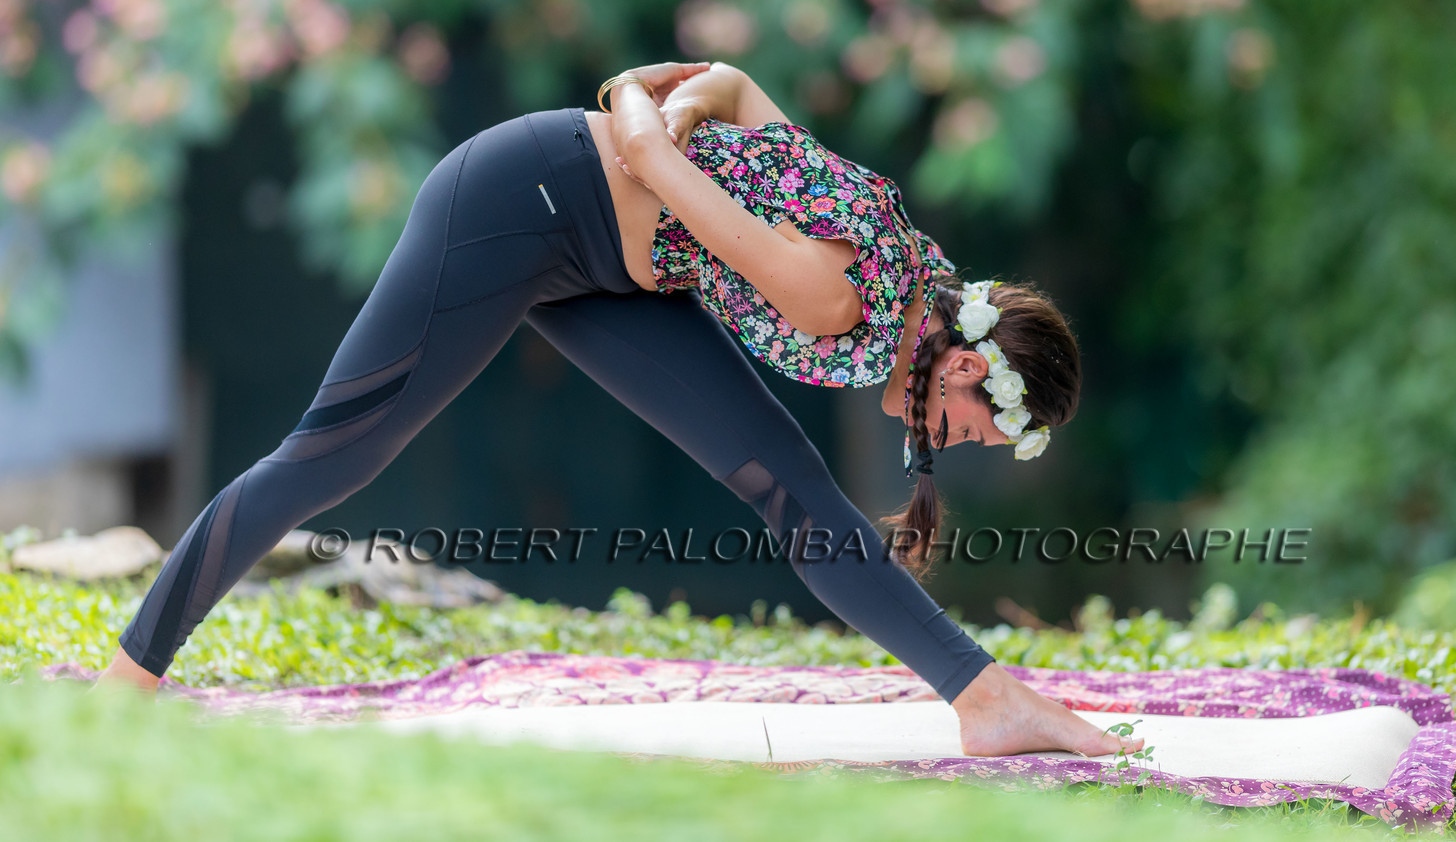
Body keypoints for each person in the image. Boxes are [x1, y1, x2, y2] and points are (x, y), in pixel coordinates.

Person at [95, 60, 1142, 759]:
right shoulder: (840, 290)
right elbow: (642, 149)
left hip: (617, 272)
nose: (942, 443)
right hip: (521, 202)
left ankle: (981, 696)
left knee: (792, 489)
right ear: (963, 369)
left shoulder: (905, 273)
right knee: (334, 454)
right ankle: (128, 676)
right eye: (969, 429)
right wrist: (641, 101)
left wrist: (667, 102)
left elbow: (727, 83)